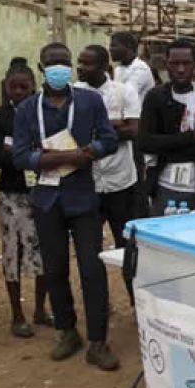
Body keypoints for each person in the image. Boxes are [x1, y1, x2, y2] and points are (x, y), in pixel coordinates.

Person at [13, 42, 120, 371]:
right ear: (41, 67)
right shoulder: (27, 109)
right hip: (47, 199)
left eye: (63, 63)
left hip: (83, 196)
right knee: (55, 269)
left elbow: (109, 140)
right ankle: (67, 331)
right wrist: (51, 159)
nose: (58, 69)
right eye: (51, 63)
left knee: (92, 269)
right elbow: (20, 156)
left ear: (71, 66)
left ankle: (98, 342)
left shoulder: (89, 101)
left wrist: (86, 153)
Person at [0, 58, 51, 338]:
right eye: (14, 87)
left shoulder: (44, 114)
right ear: (6, 87)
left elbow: (53, 148)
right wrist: (32, 154)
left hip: (42, 191)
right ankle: (17, 314)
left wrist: (19, 152)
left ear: (33, 87)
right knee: (12, 251)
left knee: (44, 250)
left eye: (25, 87)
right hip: (11, 193)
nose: (20, 92)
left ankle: (40, 309)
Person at [74, 44, 141, 304]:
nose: (81, 68)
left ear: (104, 67)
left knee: (128, 248)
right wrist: (114, 126)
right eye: (80, 62)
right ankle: (100, 306)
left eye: (88, 63)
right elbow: (72, 132)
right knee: (90, 252)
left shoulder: (124, 92)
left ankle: (137, 303)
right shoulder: (74, 93)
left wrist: (95, 131)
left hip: (120, 182)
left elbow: (133, 130)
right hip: (87, 183)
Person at [138, 39, 195, 214]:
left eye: (186, 63)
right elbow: (145, 142)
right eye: (175, 63)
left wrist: (168, 147)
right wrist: (191, 137)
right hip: (164, 186)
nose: (180, 69)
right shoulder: (155, 97)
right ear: (166, 64)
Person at [111, 31, 155, 217]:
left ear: (129, 47)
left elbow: (124, 96)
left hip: (137, 128)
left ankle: (140, 216)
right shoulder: (118, 70)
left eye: (114, 45)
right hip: (121, 123)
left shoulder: (140, 70)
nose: (111, 49)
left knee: (137, 177)